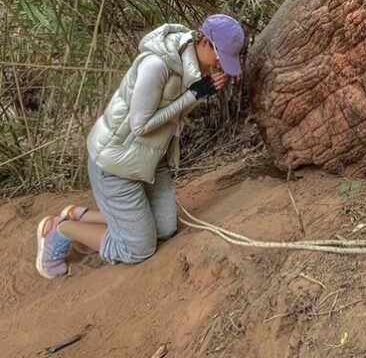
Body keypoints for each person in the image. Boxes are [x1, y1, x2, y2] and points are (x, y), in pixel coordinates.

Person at [35, 14, 245, 278]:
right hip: (115, 163)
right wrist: (195, 94)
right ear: (204, 41)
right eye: (220, 56)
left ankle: (83, 216)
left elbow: (172, 113)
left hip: (149, 159)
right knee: (139, 249)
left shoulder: (189, 62)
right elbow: (141, 126)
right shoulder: (156, 65)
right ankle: (59, 229)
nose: (220, 64)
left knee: (165, 229)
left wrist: (199, 93)